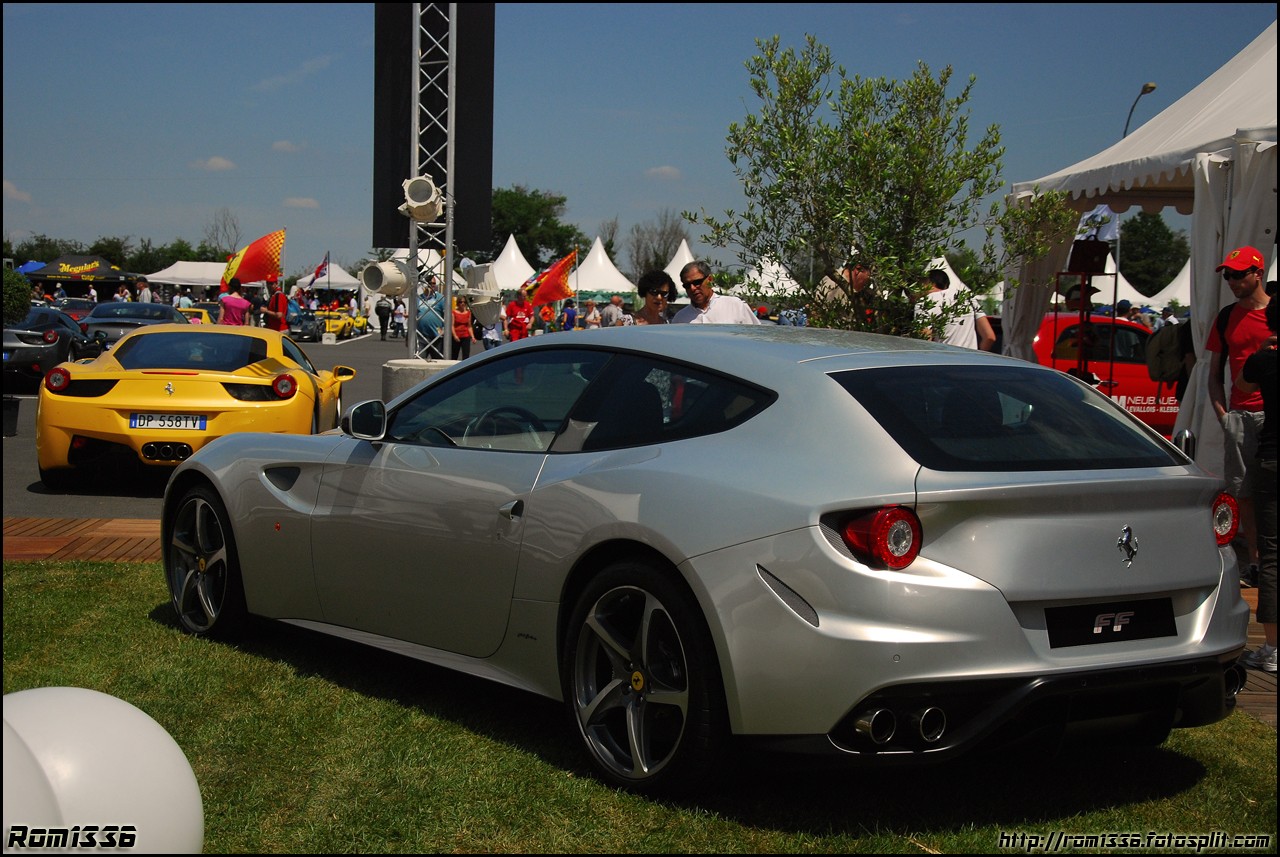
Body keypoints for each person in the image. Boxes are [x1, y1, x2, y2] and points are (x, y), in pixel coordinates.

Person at [1206, 245, 1271, 588]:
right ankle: (1258, 562)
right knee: (1243, 490)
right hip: (1241, 415)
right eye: (1227, 275)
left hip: (1271, 414)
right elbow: (1214, 372)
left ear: (1258, 273)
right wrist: (1223, 416)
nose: (1231, 280)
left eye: (1238, 274)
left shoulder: (1275, 313)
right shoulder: (1226, 316)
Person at [1233, 283, 1277, 672]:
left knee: (1272, 554)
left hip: (1272, 457)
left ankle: (1273, 648)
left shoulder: (1265, 359)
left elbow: (1243, 385)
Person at [918, 269, 997, 351]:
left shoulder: (924, 303)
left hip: (943, 360)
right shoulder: (968, 298)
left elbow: (924, 342)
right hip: (971, 360)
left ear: (928, 284)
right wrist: (979, 357)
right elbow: (990, 337)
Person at [672, 261, 759, 324]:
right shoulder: (680, 319)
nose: (692, 288)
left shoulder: (735, 306)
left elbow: (755, 337)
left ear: (710, 279)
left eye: (697, 282)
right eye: (687, 285)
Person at [451, 296, 474, 360]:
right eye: (461, 302)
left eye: (464, 302)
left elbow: (469, 326)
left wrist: (472, 337)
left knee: (466, 355)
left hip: (465, 336)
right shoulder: (454, 312)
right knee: (454, 355)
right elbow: (452, 325)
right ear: (458, 303)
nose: (462, 304)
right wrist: (455, 336)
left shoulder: (468, 313)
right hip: (456, 336)